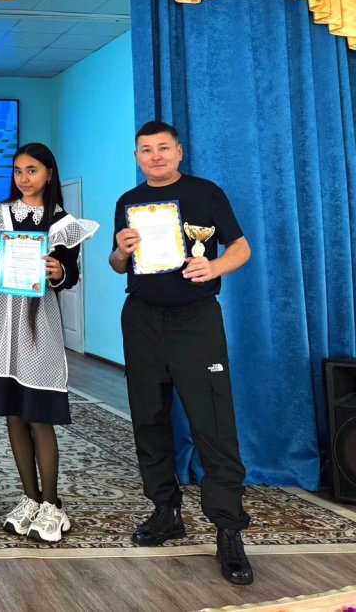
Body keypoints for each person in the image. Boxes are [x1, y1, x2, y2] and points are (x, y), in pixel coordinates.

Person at [110, 120, 253, 586]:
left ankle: (228, 530)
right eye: (145, 149)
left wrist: (215, 266)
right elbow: (118, 265)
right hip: (142, 320)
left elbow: (241, 248)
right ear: (137, 156)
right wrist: (120, 250)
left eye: (162, 148)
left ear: (179, 152)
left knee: (213, 423)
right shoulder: (128, 202)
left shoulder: (206, 193)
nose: (155, 156)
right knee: (149, 419)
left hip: (196, 321)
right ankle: (165, 511)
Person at [0, 143, 98, 544]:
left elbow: (70, 275)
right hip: (1, 324)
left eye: (32, 170)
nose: (24, 178)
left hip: (38, 325)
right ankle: (29, 497)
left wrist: (58, 271)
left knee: (39, 415)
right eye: (18, 170)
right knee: (13, 414)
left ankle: (51, 504)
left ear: (48, 174)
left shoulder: (62, 223)